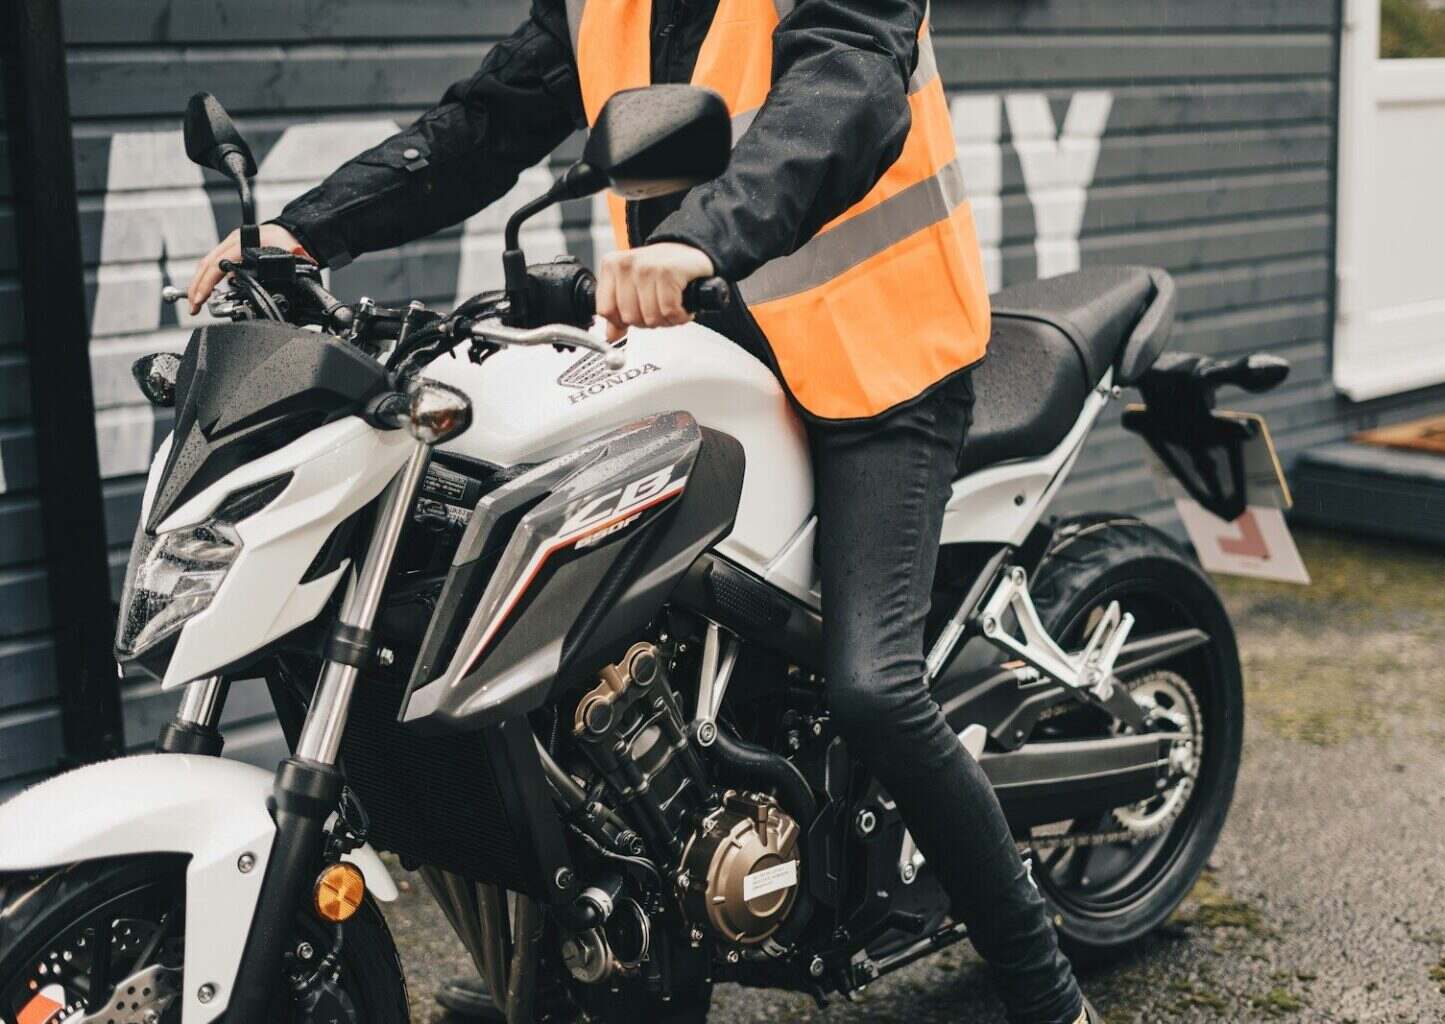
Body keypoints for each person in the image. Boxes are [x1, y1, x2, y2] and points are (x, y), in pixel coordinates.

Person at [189, 1, 1099, 1021]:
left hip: (876, 357)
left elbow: (846, 87)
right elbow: (484, 124)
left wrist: (701, 239)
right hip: (704, 352)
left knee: (875, 686)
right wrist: (303, 231)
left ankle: (1048, 994)